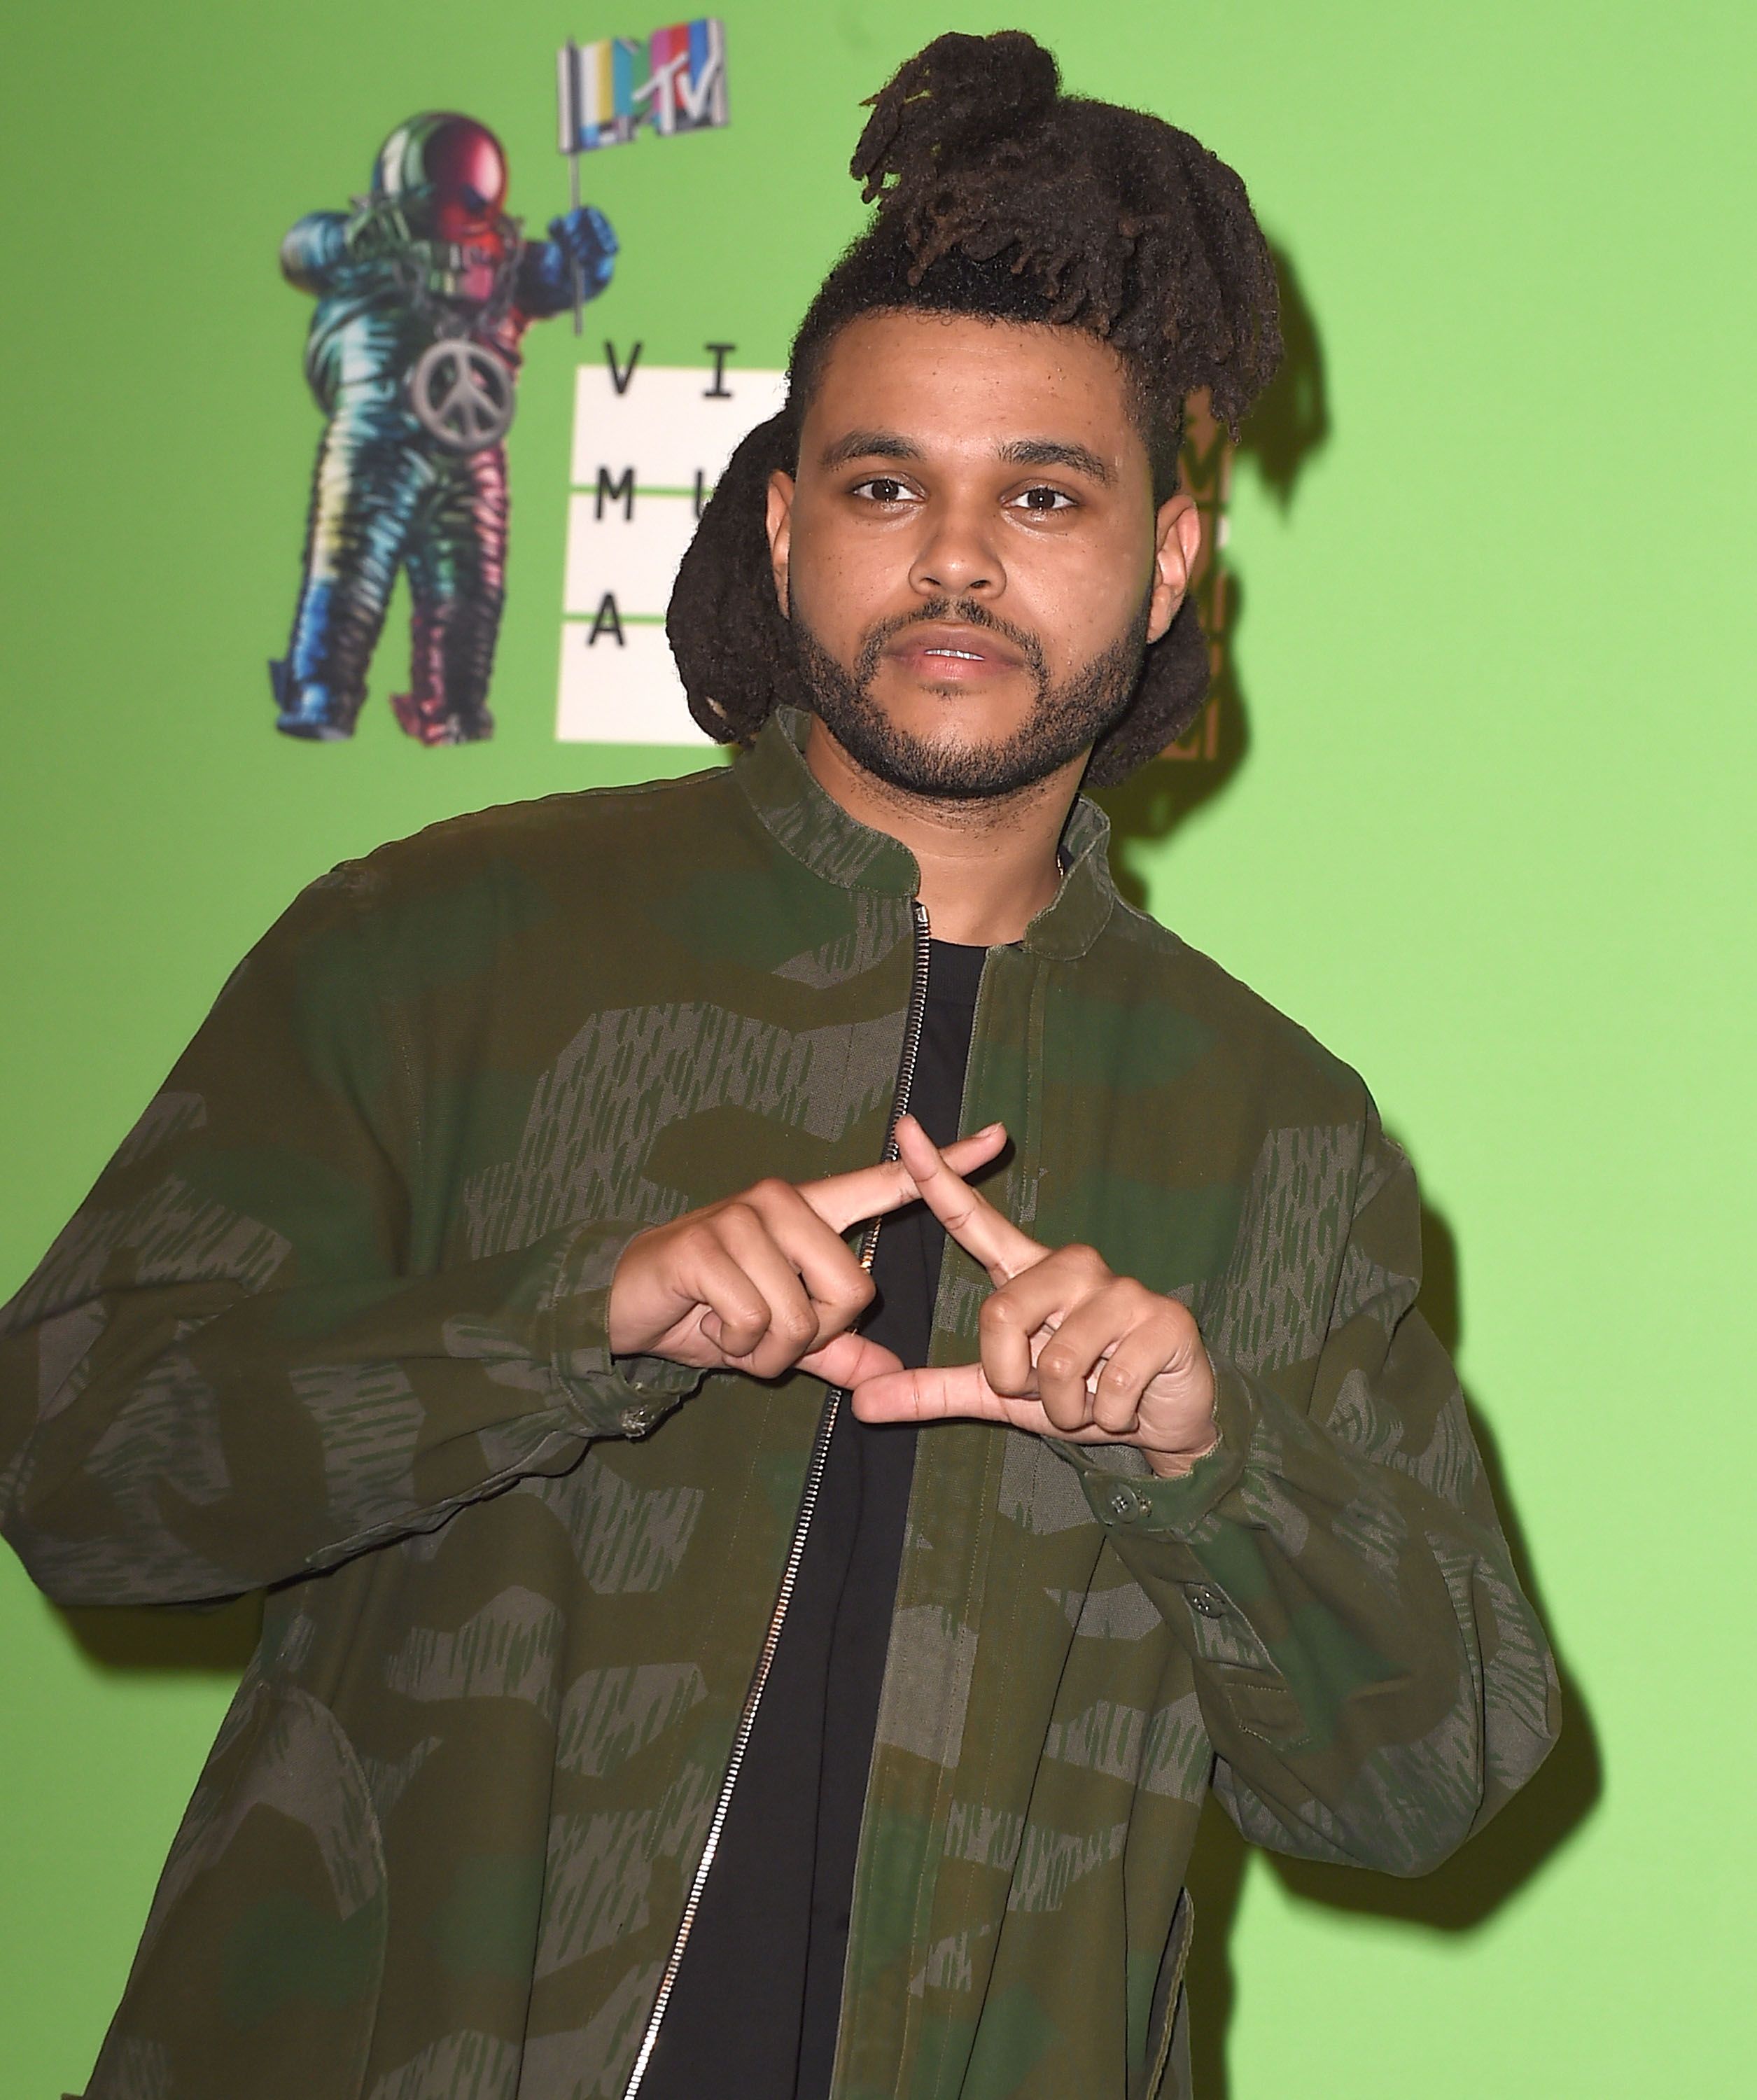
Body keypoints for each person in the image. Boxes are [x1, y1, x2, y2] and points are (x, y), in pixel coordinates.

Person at [0, 32, 1558, 2100]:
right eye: (885, 482)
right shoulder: (445, 949)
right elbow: (85, 1470)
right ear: (779, 516)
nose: (952, 561)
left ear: (1166, 560)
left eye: (1045, 494)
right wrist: (570, 1324)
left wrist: (1206, 1461)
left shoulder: (1273, 1134)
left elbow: (1425, 1781)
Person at [272, 111, 617, 746]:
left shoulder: (508, 262)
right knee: (353, 568)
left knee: (468, 584)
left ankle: (450, 709)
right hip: (379, 433)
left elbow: (567, 277)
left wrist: (585, 257)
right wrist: (354, 239)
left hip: (469, 445)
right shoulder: (357, 245)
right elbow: (303, 247)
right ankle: (323, 694)